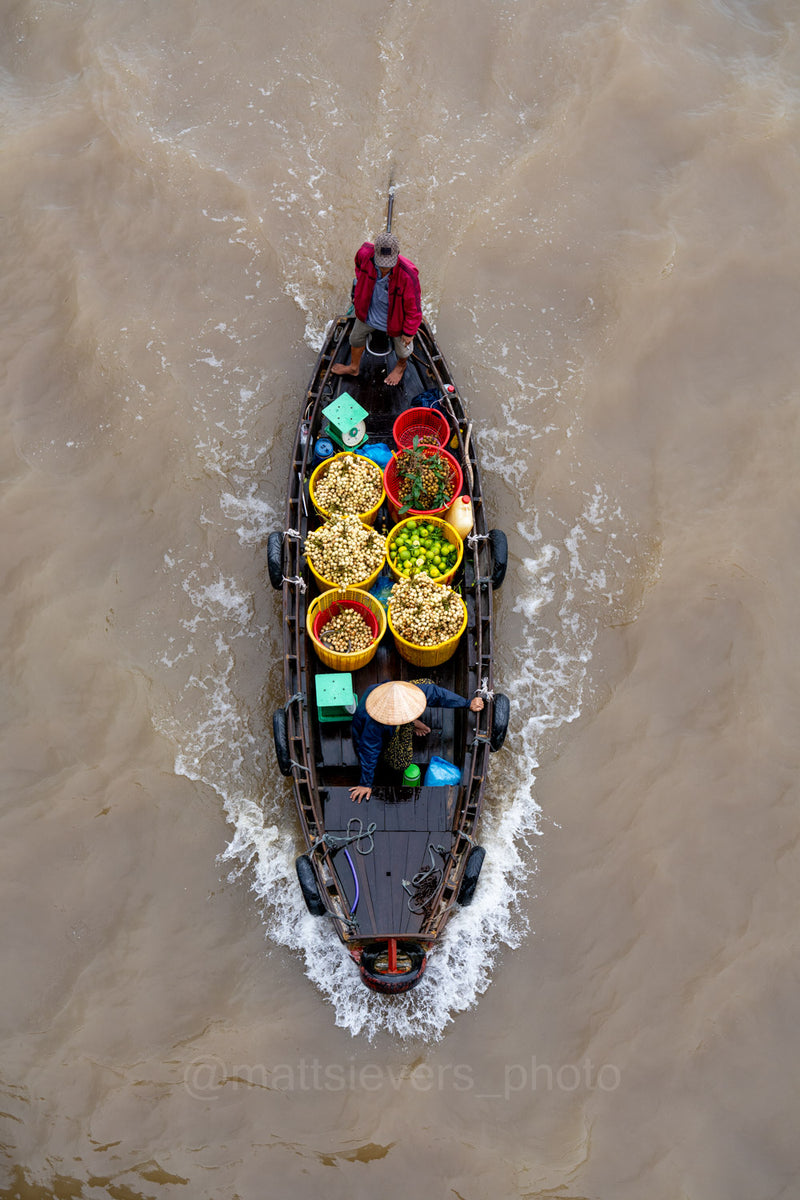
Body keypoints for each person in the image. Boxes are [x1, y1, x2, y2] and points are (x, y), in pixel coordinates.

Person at [349, 679, 484, 803]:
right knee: (402, 761)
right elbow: (369, 751)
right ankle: (410, 724)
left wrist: (467, 703)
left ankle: (412, 721)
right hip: (369, 735)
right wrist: (365, 784)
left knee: (428, 683)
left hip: (389, 717)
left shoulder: (394, 691)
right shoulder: (376, 723)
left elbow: (436, 693)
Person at [332, 232, 423, 387]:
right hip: (369, 312)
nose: (384, 268)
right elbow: (358, 268)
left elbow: (414, 308)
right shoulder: (364, 254)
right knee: (355, 339)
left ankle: (401, 366)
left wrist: (409, 332)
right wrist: (361, 290)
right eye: (381, 263)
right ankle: (354, 367)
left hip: (395, 319)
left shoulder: (408, 275)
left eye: (388, 264)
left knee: (403, 350)